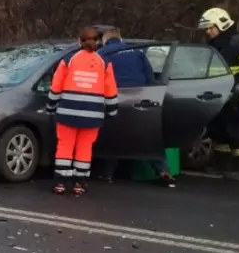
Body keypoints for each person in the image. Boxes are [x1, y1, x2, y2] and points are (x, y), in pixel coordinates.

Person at [96, 27, 174, 186]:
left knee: (114, 137)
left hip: (117, 98)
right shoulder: (137, 52)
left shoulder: (103, 54)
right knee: (146, 138)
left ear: (105, 40)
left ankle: (107, 174)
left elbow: (99, 78)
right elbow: (150, 76)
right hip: (141, 98)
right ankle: (163, 170)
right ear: (120, 38)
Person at [46, 26, 119, 195]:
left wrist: (51, 107)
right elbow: (111, 90)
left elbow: (56, 87)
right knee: (85, 148)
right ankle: (79, 183)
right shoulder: (104, 63)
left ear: (79, 41)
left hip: (67, 112)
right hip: (93, 115)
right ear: (98, 42)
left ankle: (61, 183)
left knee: (65, 146)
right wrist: (112, 112)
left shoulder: (69, 60)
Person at [198, 7, 239, 181]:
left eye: (210, 27)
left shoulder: (238, 42)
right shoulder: (214, 45)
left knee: (235, 131)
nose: (208, 31)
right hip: (220, 94)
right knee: (218, 130)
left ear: (221, 24)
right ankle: (221, 164)